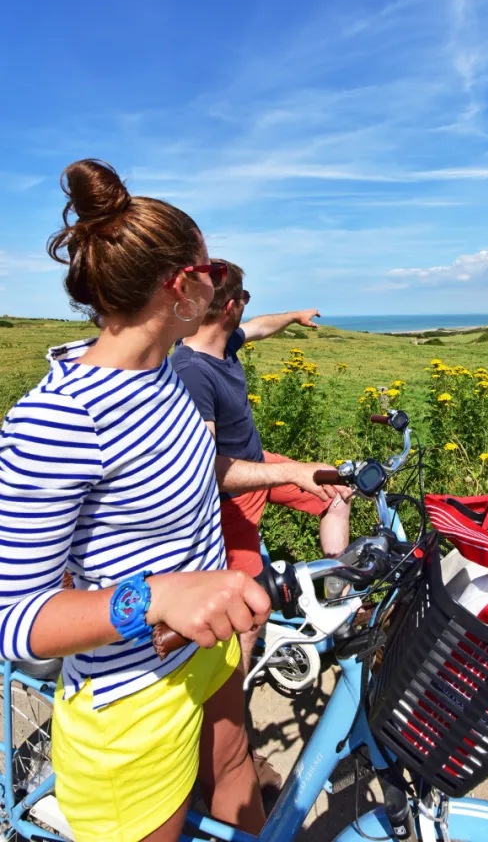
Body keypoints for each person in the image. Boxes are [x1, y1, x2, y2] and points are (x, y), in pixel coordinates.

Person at [0, 159, 345, 842]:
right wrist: (155, 598)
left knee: (235, 761)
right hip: (133, 701)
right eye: (214, 273)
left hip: (204, 653)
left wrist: (287, 474)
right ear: (184, 286)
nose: (222, 287)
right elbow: (16, 619)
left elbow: (192, 467)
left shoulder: (160, 376)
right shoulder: (58, 420)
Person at [171, 260, 352, 673]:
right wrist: (291, 471)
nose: (248, 311)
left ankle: (340, 604)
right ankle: (235, 692)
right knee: (251, 611)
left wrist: (292, 316)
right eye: (245, 299)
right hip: (229, 502)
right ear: (232, 305)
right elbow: (205, 469)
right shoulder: (192, 372)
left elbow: (260, 327)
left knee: (338, 493)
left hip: (259, 468)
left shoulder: (221, 342)